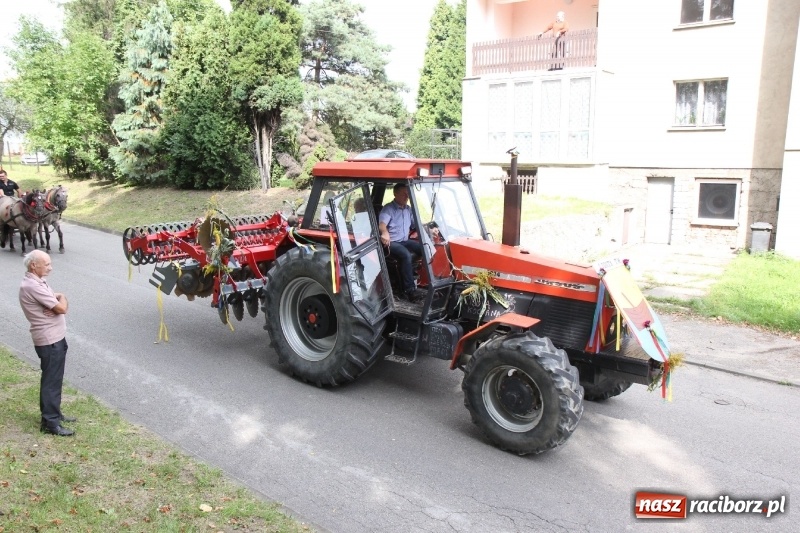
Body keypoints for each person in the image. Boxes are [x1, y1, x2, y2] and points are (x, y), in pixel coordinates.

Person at [19, 250, 75, 436]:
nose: (50, 268)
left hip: (55, 338)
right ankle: (50, 423)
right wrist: (61, 299)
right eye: (47, 264)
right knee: (51, 380)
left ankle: (54, 414)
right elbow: (61, 307)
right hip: (49, 340)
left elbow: (55, 300)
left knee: (54, 378)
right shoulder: (32, 286)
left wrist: (56, 299)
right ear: (34, 265)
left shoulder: (37, 282)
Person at [379, 183, 423, 302]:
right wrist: (384, 232)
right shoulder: (389, 209)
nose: (406, 196)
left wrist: (429, 229)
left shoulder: (408, 209)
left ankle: (422, 282)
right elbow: (382, 224)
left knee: (424, 248)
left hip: (404, 241)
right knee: (405, 255)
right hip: (391, 242)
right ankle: (409, 290)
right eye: (404, 194)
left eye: (408, 194)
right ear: (395, 193)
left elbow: (416, 225)